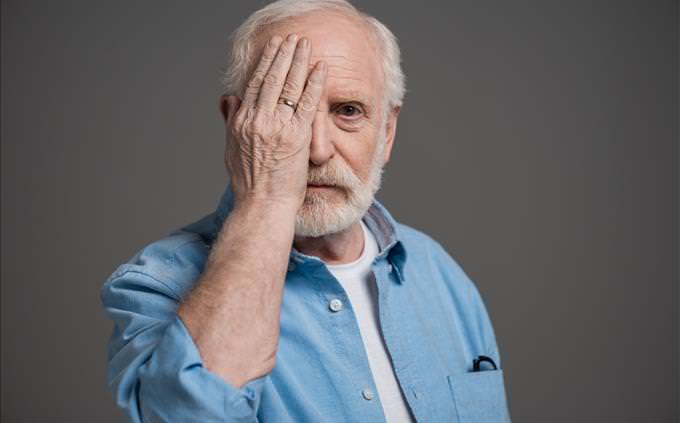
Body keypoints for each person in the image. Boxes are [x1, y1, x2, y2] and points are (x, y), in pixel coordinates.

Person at [100, 0, 511, 422]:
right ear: (235, 125)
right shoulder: (157, 285)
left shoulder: (439, 274)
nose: (316, 149)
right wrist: (268, 198)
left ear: (387, 131)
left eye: (348, 111)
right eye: (285, 109)